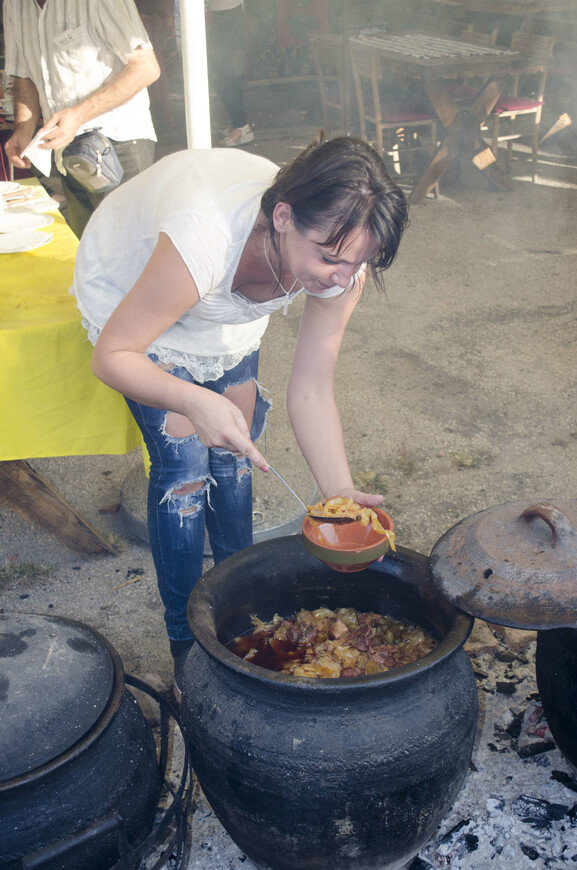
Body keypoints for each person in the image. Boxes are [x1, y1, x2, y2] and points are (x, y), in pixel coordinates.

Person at [71, 132, 409, 687]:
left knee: (233, 458)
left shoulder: (340, 256)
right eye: (330, 259)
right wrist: (191, 397)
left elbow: (311, 389)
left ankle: (242, 613)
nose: (341, 279)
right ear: (281, 217)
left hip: (226, 303)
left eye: (356, 264)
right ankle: (188, 645)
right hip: (140, 290)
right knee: (184, 468)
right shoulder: (204, 238)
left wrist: (341, 499)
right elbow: (114, 356)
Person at [3, 0, 161, 238]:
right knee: (88, 250)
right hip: (65, 150)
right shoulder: (15, 4)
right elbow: (25, 76)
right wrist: (23, 128)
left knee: (129, 251)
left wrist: (77, 115)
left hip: (119, 144)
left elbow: (146, 67)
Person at [206, 0, 254, 147]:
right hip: (222, 12)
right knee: (221, 72)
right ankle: (238, 124)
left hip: (227, 13)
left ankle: (241, 126)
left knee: (223, 73)